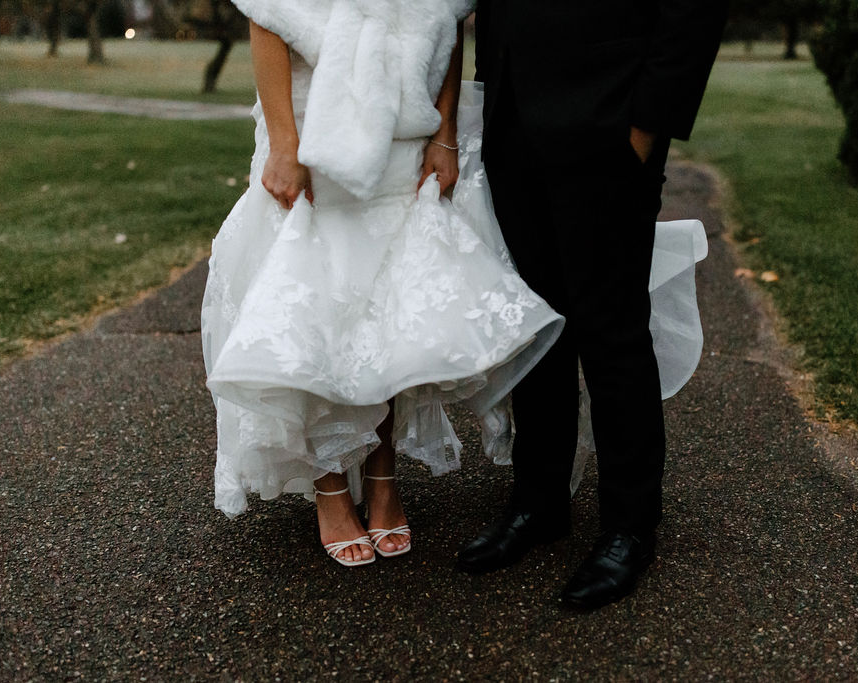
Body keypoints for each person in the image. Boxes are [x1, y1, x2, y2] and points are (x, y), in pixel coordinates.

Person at [201, 0, 566, 567]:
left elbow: (444, 25)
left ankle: (383, 477)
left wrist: (444, 134)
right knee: (315, 314)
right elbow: (265, 17)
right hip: (309, 133)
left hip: (402, 139)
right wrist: (282, 143)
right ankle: (329, 488)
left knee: (388, 316)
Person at [457, 1, 729, 609]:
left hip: (610, 120)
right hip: (514, 120)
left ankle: (628, 527)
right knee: (538, 326)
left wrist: (643, 129)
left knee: (612, 330)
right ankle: (538, 502)